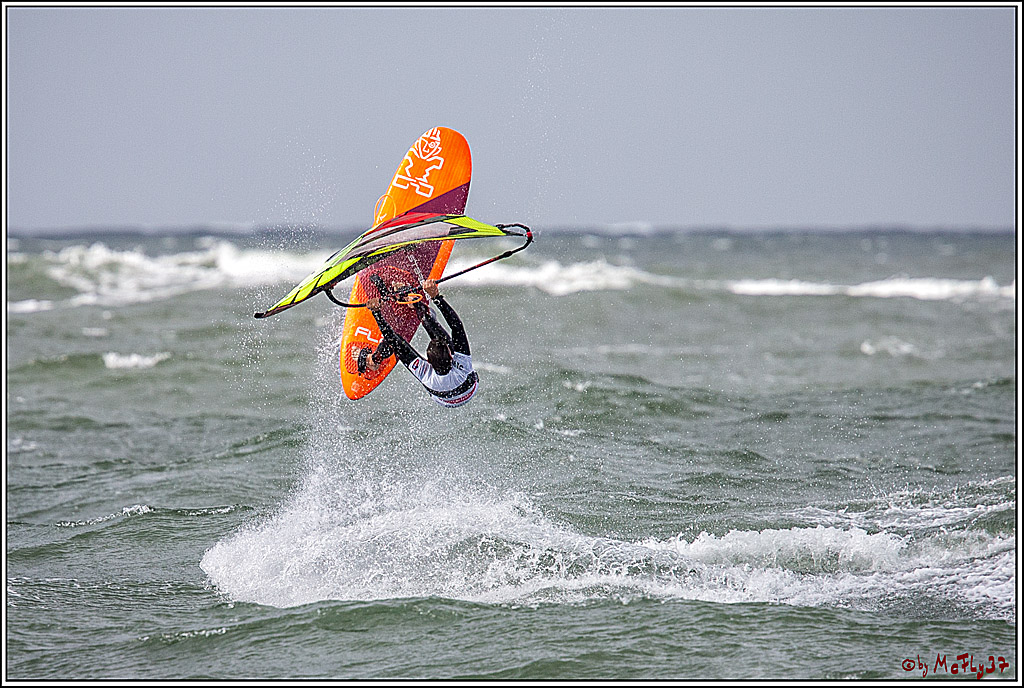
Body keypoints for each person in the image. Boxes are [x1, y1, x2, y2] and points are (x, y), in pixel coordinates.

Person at [365, 278, 478, 408]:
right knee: (428, 323)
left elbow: (393, 340)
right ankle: (414, 303)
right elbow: (457, 326)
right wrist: (436, 296)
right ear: (451, 355)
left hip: (444, 399)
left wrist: (376, 312)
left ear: (428, 363)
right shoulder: (463, 364)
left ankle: (374, 361)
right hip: (467, 383)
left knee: (395, 344)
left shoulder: (426, 375)